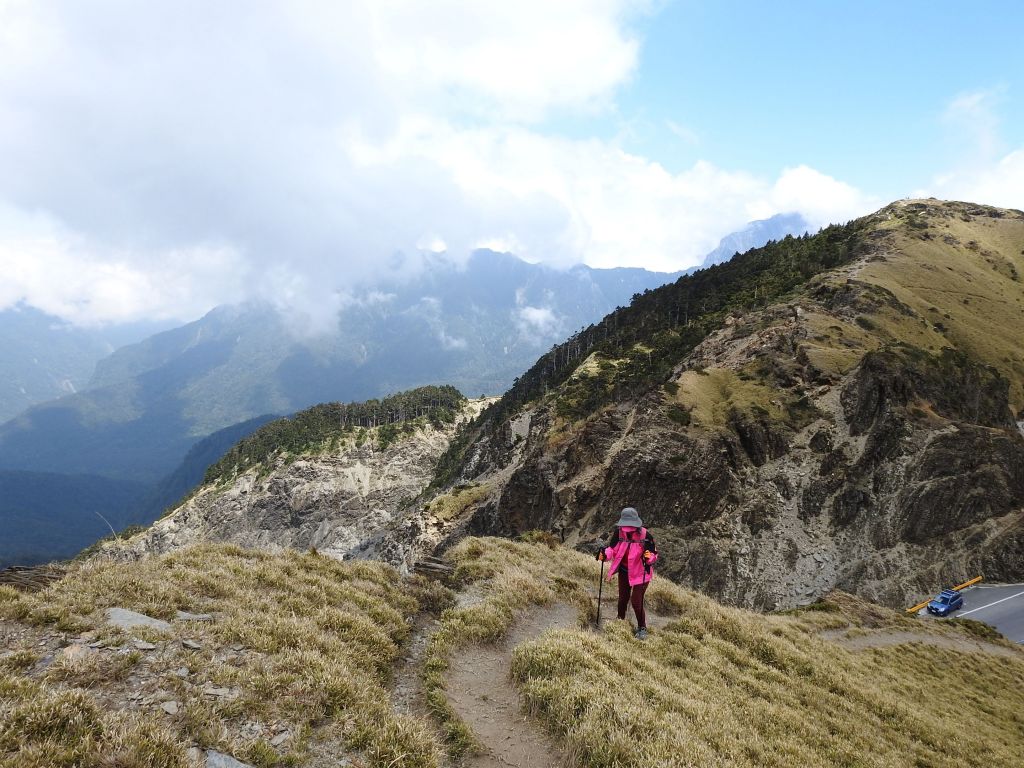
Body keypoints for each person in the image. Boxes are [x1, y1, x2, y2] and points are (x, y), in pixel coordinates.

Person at [596, 506, 658, 639]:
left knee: (636, 601)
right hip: (624, 571)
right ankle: (620, 621)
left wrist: (649, 557)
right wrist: (604, 555)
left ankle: (642, 627)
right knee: (622, 599)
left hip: (641, 574)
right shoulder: (619, 533)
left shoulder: (646, 536)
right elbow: (611, 549)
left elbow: (654, 554)